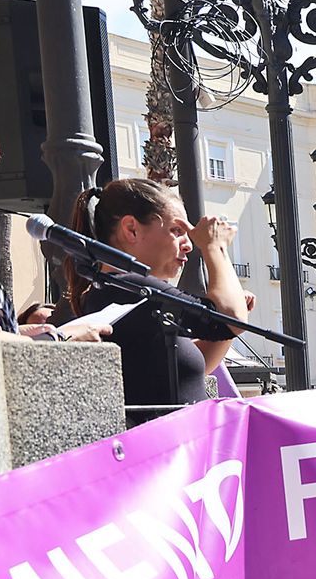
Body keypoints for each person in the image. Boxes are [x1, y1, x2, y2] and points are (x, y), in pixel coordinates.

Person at [65, 179, 249, 422]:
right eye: (176, 231)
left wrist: (229, 322)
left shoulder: (117, 288)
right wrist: (215, 247)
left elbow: (185, 369)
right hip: (168, 441)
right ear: (131, 229)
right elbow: (230, 320)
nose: (188, 245)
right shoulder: (130, 288)